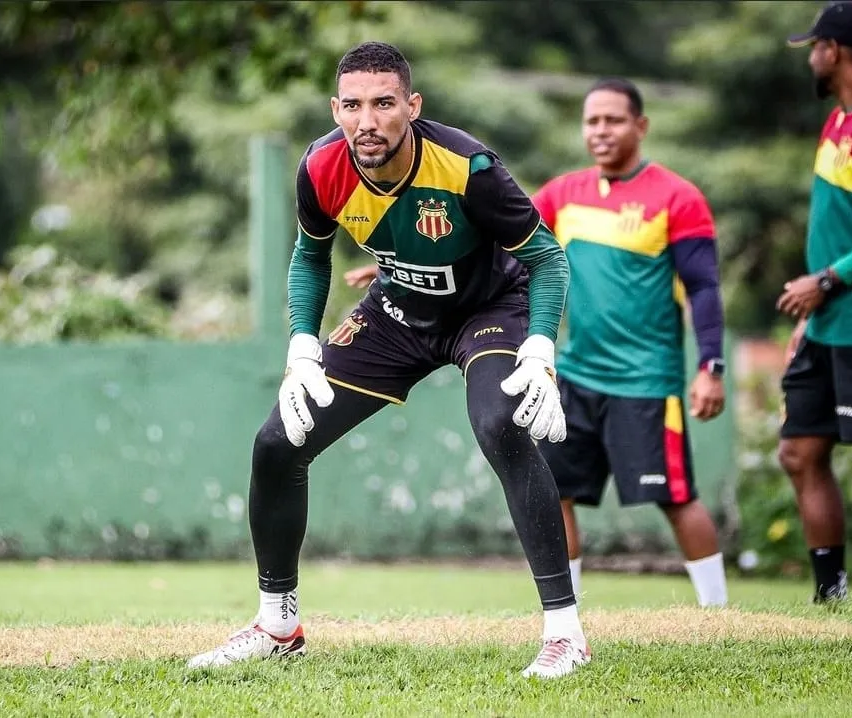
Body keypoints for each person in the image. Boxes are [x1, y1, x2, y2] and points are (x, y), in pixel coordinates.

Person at [187, 41, 591, 679]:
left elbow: (546, 258)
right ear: (336, 109)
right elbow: (310, 256)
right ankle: (277, 625)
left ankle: (565, 634)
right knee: (276, 443)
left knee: (499, 425)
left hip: (487, 311)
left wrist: (540, 347)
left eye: (383, 103)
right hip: (396, 314)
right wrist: (301, 347)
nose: (367, 121)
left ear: (413, 106)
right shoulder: (320, 167)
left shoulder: (468, 166)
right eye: (352, 105)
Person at [530, 78, 730, 608]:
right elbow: (499, 237)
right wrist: (401, 266)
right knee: (553, 492)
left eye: (613, 120)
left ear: (640, 126)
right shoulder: (560, 195)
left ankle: (719, 614)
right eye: (591, 120)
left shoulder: (677, 197)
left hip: (646, 382)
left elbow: (705, 288)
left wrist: (711, 366)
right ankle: (562, 614)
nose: (600, 131)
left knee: (676, 498)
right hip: (574, 376)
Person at [780, 2, 852, 604]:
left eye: (815, 45)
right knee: (800, 451)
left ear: (836, 50)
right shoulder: (837, 123)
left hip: (846, 315)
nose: (811, 56)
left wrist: (824, 282)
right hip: (825, 324)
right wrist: (812, 311)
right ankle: (831, 595)